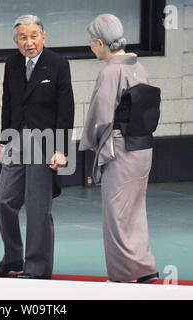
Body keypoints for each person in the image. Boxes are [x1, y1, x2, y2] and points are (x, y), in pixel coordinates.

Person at [0, 15, 74, 280]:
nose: (29, 42)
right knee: (3, 201)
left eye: (34, 35)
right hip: (16, 139)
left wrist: (61, 150)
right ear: (16, 41)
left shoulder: (58, 64)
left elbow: (66, 110)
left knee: (38, 207)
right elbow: (8, 103)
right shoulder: (12, 63)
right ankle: (13, 257)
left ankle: (37, 267)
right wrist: (4, 141)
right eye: (23, 37)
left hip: (45, 142)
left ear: (44, 37)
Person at [79, 14, 159, 283]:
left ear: (100, 42)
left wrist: (89, 141)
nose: (91, 48)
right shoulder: (138, 67)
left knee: (116, 214)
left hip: (121, 148)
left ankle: (125, 272)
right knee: (135, 210)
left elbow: (101, 116)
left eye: (91, 44)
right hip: (143, 147)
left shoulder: (111, 71)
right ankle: (144, 265)